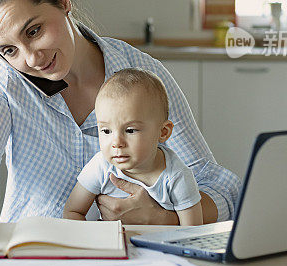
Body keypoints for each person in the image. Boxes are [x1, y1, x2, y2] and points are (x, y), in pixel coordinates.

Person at [0, 0, 240, 246]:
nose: (31, 58)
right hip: (34, 261)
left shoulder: (143, 73)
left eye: (34, 30)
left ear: (63, 0)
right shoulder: (5, 77)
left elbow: (217, 186)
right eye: (9, 50)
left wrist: (165, 217)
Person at [63, 68, 203, 226]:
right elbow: (72, 211)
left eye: (130, 130)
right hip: (109, 248)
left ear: (163, 132)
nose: (116, 142)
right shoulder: (101, 166)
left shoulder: (176, 177)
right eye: (106, 130)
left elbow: (193, 233)